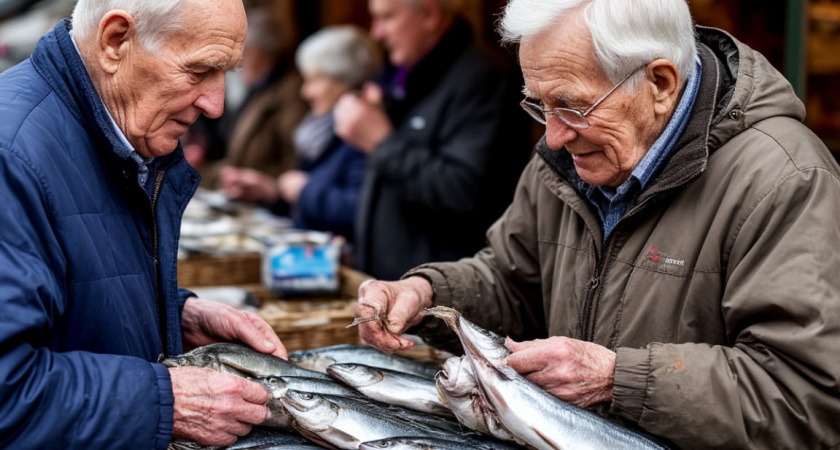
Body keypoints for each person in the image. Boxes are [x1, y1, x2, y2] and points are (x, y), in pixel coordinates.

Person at [354, 0, 840, 448]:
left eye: (572, 105)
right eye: (539, 104)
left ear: (661, 84)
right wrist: (427, 295)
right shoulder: (567, 159)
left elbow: (806, 396)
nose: (555, 134)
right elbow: (514, 279)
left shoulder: (785, 180)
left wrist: (615, 379)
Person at [0, 1, 289, 448]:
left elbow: (66, 283)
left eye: (226, 73)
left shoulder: (105, 131)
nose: (216, 105)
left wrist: (172, 313)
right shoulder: (12, 156)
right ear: (116, 41)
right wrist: (163, 401)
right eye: (199, 71)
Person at [333, 0, 532, 280]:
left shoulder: (481, 78)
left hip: (442, 293)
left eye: (386, 18)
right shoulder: (409, 74)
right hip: (397, 283)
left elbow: (461, 190)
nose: (376, 33)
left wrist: (380, 142)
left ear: (429, 15)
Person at [220, 25, 380, 239]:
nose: (305, 92)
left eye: (314, 80)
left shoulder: (360, 136)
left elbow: (364, 210)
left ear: (344, 81)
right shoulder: (321, 130)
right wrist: (272, 191)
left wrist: (305, 191)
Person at [194, 5, 308, 188]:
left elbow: (296, 161)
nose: (238, 61)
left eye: (242, 52)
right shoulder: (258, 88)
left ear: (259, 52)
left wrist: (269, 185)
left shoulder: (291, 93)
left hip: (265, 200)